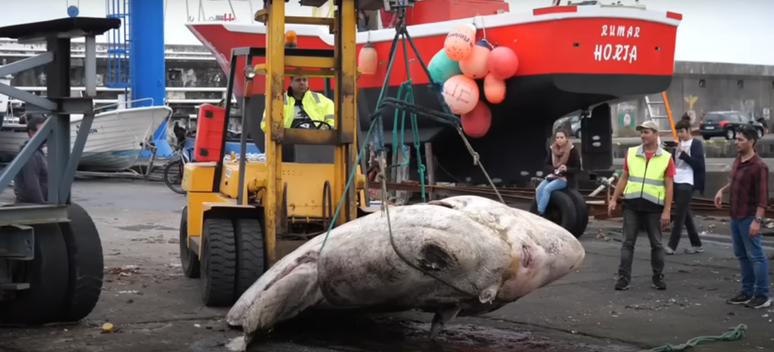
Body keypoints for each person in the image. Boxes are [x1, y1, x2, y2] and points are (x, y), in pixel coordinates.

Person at [608, 120, 675, 291]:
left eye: (646, 132)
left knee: (657, 244)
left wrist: (667, 210)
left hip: (654, 208)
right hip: (631, 206)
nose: (643, 135)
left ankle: (658, 277)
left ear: (655, 134)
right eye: (642, 132)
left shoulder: (666, 158)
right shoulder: (631, 153)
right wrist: (614, 199)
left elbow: (669, 185)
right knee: (627, 243)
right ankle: (623, 278)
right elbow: (624, 177)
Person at [714, 125, 771, 309]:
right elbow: (734, 181)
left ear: (751, 141)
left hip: (748, 217)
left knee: (756, 256)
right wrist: (722, 191)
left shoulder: (759, 167)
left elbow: (762, 199)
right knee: (742, 255)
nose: (736, 143)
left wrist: (757, 221)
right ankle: (747, 291)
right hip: (735, 215)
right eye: (736, 139)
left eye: (740, 140)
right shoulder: (738, 160)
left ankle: (762, 294)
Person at [665, 114, 706, 254]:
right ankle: (697, 244)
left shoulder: (696, 144)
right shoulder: (677, 145)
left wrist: (683, 154)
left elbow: (699, 165)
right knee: (685, 213)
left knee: (679, 214)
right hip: (675, 179)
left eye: (682, 131)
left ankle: (672, 246)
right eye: (678, 132)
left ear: (688, 130)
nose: (680, 135)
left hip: (688, 181)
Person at [259, 75, 335, 132]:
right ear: (291, 83)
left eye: (304, 80)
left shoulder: (323, 101)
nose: (302, 83)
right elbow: (265, 125)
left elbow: (333, 124)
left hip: (318, 142)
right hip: (287, 143)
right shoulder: (278, 101)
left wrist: (322, 134)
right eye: (298, 80)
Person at [535, 130, 580, 215]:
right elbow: (546, 165)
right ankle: (541, 209)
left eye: (562, 137)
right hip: (553, 175)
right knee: (539, 189)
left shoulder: (573, 151)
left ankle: (540, 212)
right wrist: (554, 170)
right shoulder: (552, 149)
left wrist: (567, 169)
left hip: (566, 178)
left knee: (547, 189)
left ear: (566, 138)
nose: (559, 140)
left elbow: (577, 168)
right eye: (557, 137)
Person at [14, 116, 48, 204]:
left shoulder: (38, 152)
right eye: (43, 132)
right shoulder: (31, 155)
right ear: (32, 134)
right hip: (29, 206)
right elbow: (32, 186)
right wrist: (42, 206)